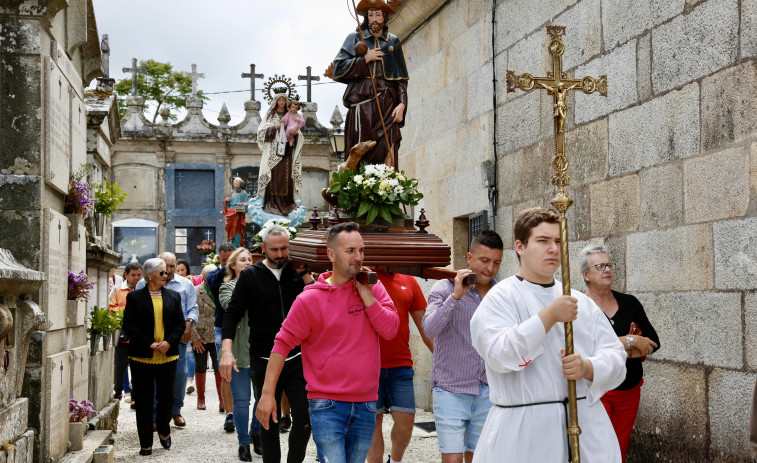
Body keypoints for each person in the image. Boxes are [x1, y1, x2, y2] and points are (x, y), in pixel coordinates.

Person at [469, 207, 627, 463]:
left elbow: (616, 357)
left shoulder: (581, 302)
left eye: (557, 240)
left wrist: (587, 367)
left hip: (587, 428)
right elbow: (500, 354)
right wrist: (549, 316)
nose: (553, 248)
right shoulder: (500, 298)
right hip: (525, 433)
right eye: (543, 241)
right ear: (520, 246)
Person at [254, 222, 399, 463]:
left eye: (361, 250)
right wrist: (267, 394)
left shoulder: (373, 287)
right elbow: (281, 344)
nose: (358, 257)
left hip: (366, 402)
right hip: (327, 404)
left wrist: (366, 295)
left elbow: (390, 330)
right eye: (350, 250)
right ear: (331, 254)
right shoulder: (310, 298)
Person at [221, 225, 314, 463]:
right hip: (263, 358)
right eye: (274, 249)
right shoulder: (251, 276)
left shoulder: (296, 273)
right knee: (268, 420)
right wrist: (226, 351)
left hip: (296, 357)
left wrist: (304, 274)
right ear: (263, 249)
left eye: (284, 248)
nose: (280, 254)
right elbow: (232, 314)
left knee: (304, 418)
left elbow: (319, 300)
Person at [421, 230, 503, 463]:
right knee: (453, 460)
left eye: (496, 262)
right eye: (484, 261)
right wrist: (455, 297)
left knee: (481, 459)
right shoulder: (444, 288)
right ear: (469, 258)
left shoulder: (501, 294)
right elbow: (429, 329)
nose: (490, 268)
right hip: (450, 390)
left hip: (488, 390)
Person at [580, 245, 660, 462]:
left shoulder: (629, 303)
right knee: (599, 450)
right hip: (597, 391)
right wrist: (629, 342)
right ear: (586, 274)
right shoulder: (579, 306)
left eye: (609, 265)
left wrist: (611, 348)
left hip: (629, 391)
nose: (607, 270)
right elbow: (582, 351)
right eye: (600, 266)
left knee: (618, 450)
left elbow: (653, 343)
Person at [327, 0, 408, 168]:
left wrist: (402, 103)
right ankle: (361, 188)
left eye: (378, 15)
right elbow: (338, 68)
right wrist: (364, 60)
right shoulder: (355, 38)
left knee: (390, 148)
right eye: (370, 15)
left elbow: (400, 79)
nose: (374, 19)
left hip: (388, 103)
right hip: (363, 106)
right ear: (366, 18)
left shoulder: (393, 42)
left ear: (384, 17)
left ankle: (390, 187)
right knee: (363, 150)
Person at [367, 268, 433, 463]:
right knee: (373, 423)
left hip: (401, 364)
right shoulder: (364, 278)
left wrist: (440, 356)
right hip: (369, 367)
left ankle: (395, 461)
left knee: (406, 422)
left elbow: (426, 326)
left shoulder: (409, 281)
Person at [123, 258, 185, 456]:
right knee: (143, 400)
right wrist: (150, 343)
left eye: (166, 273)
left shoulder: (174, 297)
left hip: (167, 356)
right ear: (149, 275)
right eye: (161, 273)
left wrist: (168, 342)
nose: (165, 276)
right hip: (142, 356)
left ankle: (164, 431)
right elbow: (130, 325)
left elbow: (180, 324)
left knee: (166, 398)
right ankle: (146, 443)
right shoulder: (135, 298)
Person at [135, 252, 199, 427]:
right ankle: (155, 414)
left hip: (177, 336)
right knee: (155, 377)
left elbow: (193, 309)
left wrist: (188, 324)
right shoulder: (143, 284)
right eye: (166, 267)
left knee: (179, 375)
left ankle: (175, 410)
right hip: (153, 338)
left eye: (172, 266)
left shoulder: (185, 284)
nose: (169, 271)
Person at [218, 247, 263, 460]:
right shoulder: (227, 287)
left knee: (262, 396)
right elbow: (230, 306)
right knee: (242, 400)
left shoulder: (262, 285)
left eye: (249, 260)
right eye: (242, 260)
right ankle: (243, 443)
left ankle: (256, 432)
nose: (247, 263)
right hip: (237, 350)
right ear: (233, 265)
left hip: (261, 348)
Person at [207, 242, 238, 428]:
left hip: (244, 328)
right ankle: (229, 413)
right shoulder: (215, 275)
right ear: (219, 258)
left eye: (231, 259)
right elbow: (213, 281)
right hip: (222, 327)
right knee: (225, 371)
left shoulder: (247, 274)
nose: (228, 263)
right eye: (225, 259)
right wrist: (226, 267)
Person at [257, 93, 304, 215]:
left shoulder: (292, 114)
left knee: (286, 176)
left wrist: (295, 133)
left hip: (287, 151)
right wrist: (274, 127)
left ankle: (287, 202)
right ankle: (270, 203)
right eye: (280, 100)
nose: (282, 102)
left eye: (284, 100)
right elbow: (261, 133)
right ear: (276, 101)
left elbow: (298, 130)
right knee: (273, 175)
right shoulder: (270, 114)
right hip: (273, 150)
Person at [109, 262, 142, 404]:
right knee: (120, 365)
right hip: (123, 334)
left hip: (140, 335)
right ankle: (118, 392)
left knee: (138, 365)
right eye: (133, 275)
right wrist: (127, 309)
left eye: (139, 275)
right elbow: (111, 308)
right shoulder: (118, 289)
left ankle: (135, 395)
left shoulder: (145, 288)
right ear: (126, 275)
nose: (136, 277)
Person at [191, 264, 221, 411]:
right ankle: (201, 398)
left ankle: (223, 399)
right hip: (201, 336)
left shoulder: (221, 289)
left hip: (217, 335)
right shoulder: (196, 291)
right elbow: (189, 314)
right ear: (203, 277)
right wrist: (194, 337)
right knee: (200, 366)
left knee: (219, 367)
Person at [224, 177, 250, 247]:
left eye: (237, 184)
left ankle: (236, 246)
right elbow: (227, 204)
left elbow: (247, 203)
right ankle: (231, 245)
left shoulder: (243, 193)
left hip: (237, 214)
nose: (235, 185)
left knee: (236, 230)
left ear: (240, 184)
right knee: (231, 230)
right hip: (230, 213)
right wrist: (226, 201)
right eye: (234, 184)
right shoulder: (231, 192)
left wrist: (242, 204)